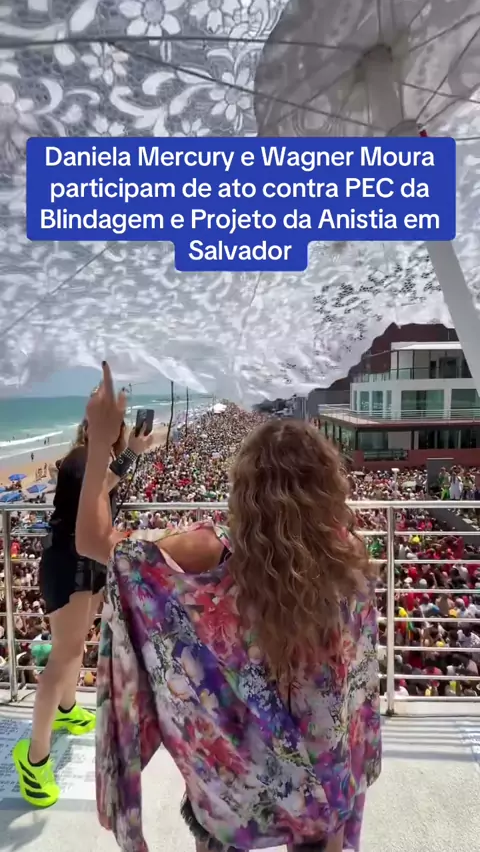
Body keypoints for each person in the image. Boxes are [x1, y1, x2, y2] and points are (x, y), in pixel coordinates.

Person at [77, 363, 381, 852]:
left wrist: (100, 442)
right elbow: (357, 687)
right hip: (322, 782)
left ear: (244, 489)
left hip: (230, 786)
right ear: (328, 487)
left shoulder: (208, 552)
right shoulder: (349, 562)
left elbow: (94, 541)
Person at [13, 396, 153, 808]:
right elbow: (101, 485)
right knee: (64, 654)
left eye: (117, 422)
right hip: (67, 564)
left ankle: (68, 706)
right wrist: (132, 453)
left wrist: (131, 451)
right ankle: (34, 757)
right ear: (91, 425)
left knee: (76, 647)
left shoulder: (98, 458)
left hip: (88, 562)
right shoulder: (79, 460)